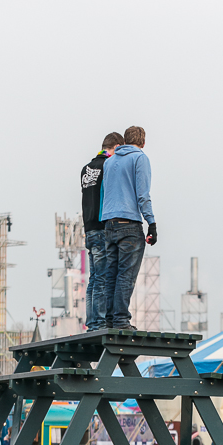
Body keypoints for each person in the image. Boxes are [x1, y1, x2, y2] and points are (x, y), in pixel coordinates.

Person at [102, 126, 157, 330]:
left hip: (109, 223)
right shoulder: (140, 158)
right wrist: (151, 223)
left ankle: (109, 320)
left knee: (111, 275)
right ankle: (121, 320)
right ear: (143, 142)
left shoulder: (109, 162)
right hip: (129, 224)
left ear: (124, 141)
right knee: (126, 274)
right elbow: (143, 195)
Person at [81, 132, 124, 331]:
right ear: (116, 147)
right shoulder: (108, 166)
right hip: (101, 226)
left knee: (94, 278)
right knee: (102, 277)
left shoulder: (87, 168)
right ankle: (98, 322)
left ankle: (91, 321)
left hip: (89, 227)